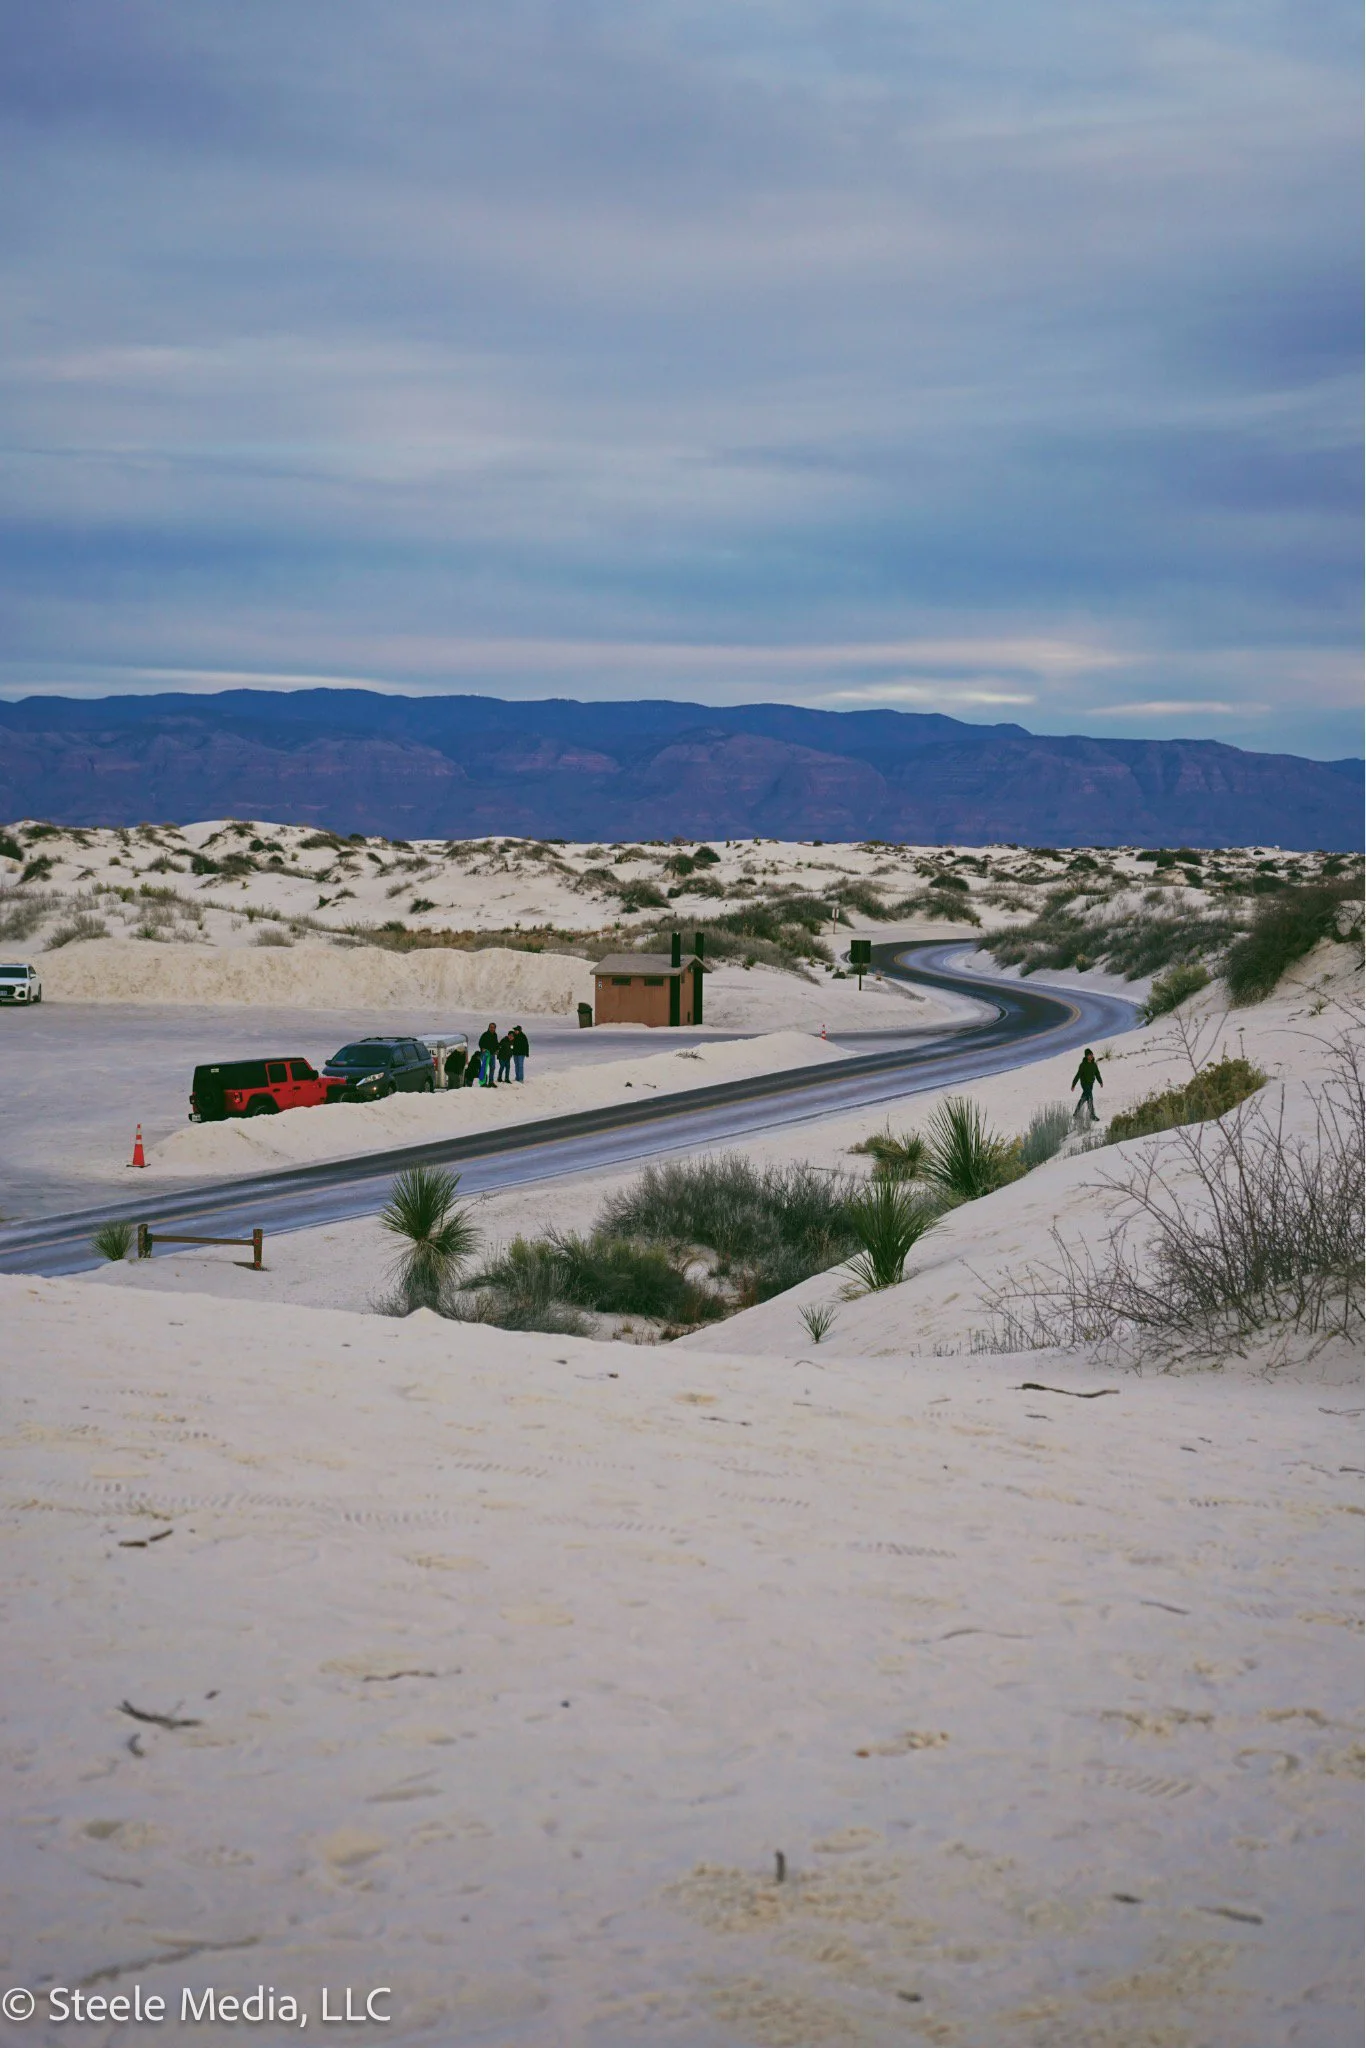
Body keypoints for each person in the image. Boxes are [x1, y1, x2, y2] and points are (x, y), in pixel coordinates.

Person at [1071, 1047, 1103, 1124]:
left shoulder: (1094, 1065)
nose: (1091, 1056)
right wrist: (1073, 1084)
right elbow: (1078, 1075)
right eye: (1089, 1055)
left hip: (1091, 1084)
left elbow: (1097, 1073)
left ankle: (1076, 1113)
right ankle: (1092, 1115)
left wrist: (1100, 1081)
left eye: (1091, 1054)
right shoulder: (1082, 1065)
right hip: (1084, 1084)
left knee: (1084, 1098)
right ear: (1086, 1056)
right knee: (1090, 1098)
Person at [477, 1021, 499, 1087]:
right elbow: (480, 1042)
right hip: (486, 1054)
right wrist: (482, 1048)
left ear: (495, 1028)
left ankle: (491, 1082)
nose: (492, 1028)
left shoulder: (495, 1035)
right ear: (489, 1028)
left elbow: (496, 1044)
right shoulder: (485, 1034)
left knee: (492, 1068)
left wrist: (497, 1050)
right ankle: (483, 1083)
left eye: (493, 1027)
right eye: (491, 1027)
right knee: (484, 1068)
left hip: (492, 1054)